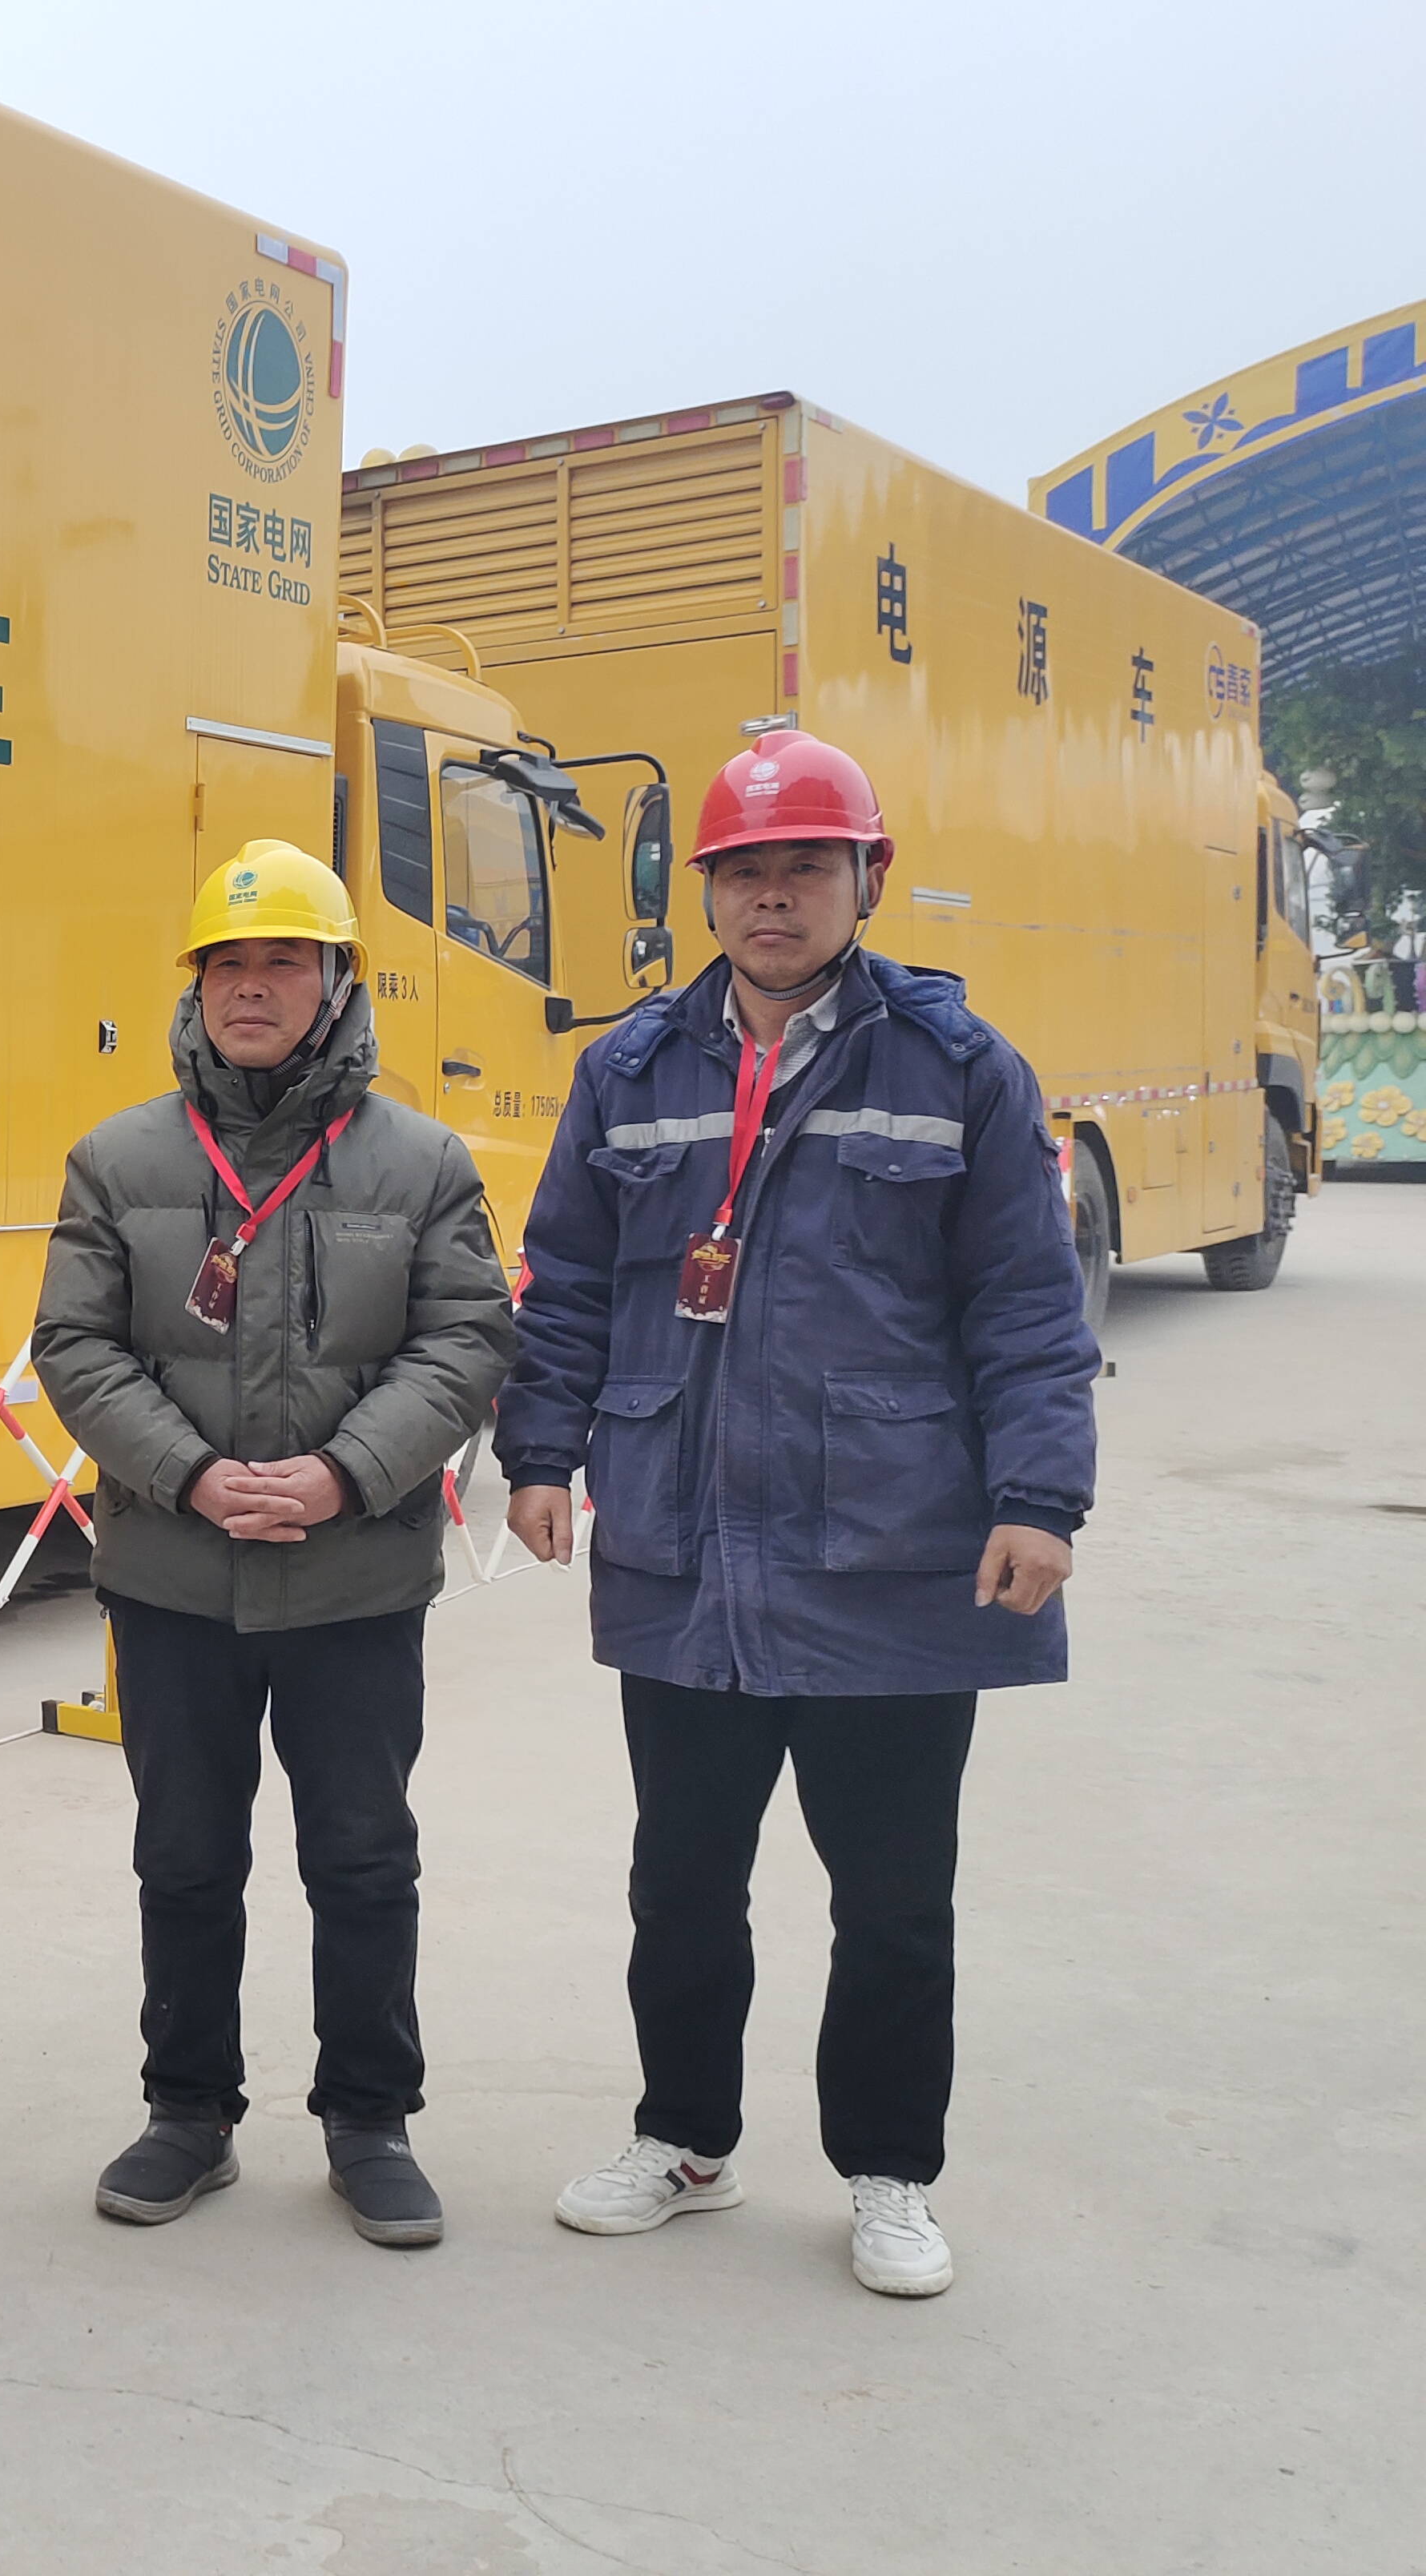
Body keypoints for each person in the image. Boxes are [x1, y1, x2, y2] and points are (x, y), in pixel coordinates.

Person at [498, 724, 1095, 2300]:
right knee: (682, 1884)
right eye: (745, 870)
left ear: (866, 880)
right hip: (685, 1545)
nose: (774, 897)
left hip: (890, 1548)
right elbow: (567, 1283)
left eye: (807, 867)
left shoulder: (960, 1068)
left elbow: (1026, 1304)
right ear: (705, 890)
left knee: (891, 1902)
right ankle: (685, 2141)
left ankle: (891, 2173)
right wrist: (540, 1454)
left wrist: (1040, 1495)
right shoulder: (630, 1070)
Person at [31, 841, 513, 2247]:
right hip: (172, 1579)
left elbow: (466, 1338)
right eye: (227, 965)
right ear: (195, 986)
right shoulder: (120, 1159)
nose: (252, 989)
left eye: (283, 962)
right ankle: (188, 2111)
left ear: (337, 982)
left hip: (353, 1581)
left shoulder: (420, 1162)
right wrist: (190, 1476)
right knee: (184, 1859)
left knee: (361, 1860)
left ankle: (370, 2121)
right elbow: (72, 1345)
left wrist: (343, 1474)